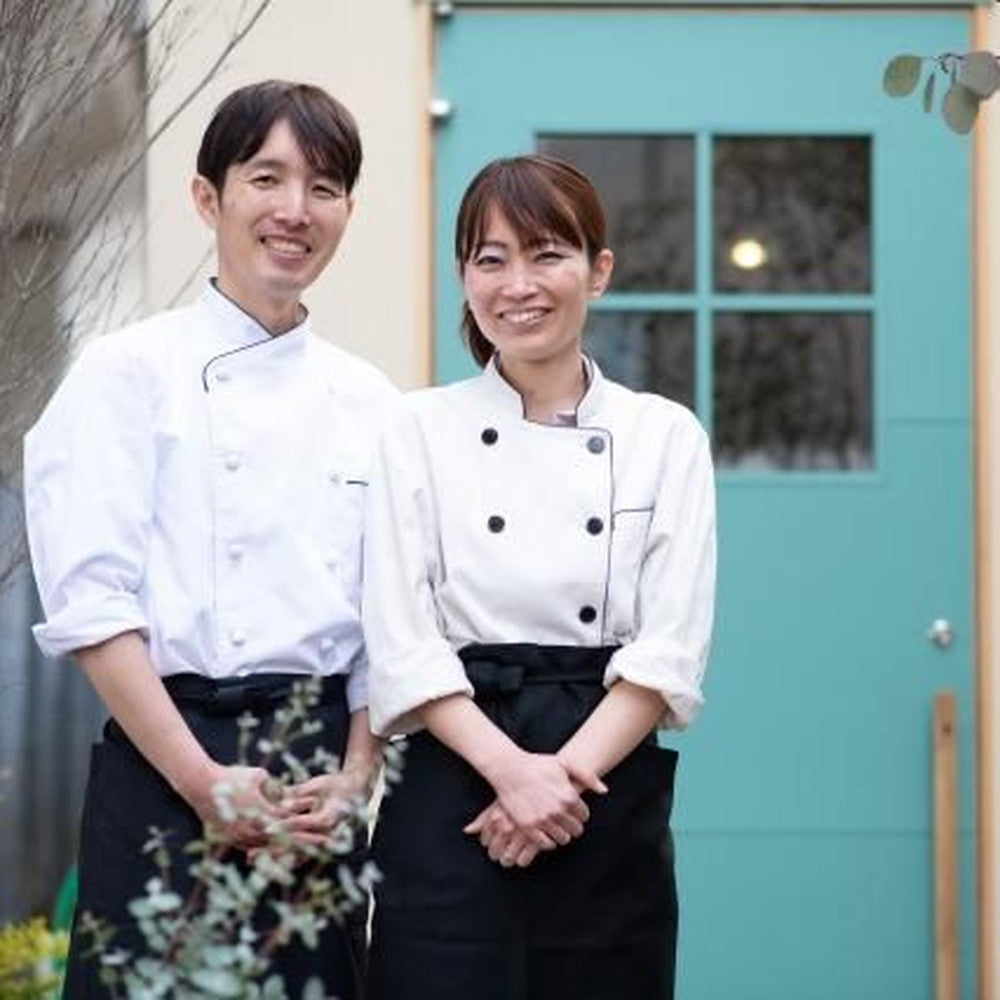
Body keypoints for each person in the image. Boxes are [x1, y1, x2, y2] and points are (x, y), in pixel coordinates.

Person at [23, 80, 397, 998]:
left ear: (348, 213)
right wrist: (200, 779)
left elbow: (388, 623)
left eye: (323, 187)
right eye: (266, 178)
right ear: (207, 197)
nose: (294, 210)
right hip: (166, 761)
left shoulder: (374, 403)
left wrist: (356, 778)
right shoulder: (123, 374)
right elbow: (92, 606)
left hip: (312, 785)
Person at [361, 153, 717, 1000]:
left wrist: (556, 780)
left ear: (598, 270)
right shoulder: (415, 428)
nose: (518, 284)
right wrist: (512, 773)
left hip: (600, 775)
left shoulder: (664, 435)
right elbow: (401, 637)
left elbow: (669, 646)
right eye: (492, 259)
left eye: (547, 253)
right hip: (455, 772)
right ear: (465, 277)